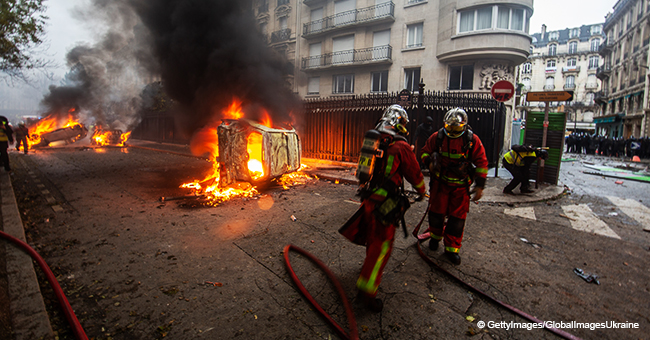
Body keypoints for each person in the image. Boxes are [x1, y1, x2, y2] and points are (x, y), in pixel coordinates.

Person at [339, 104, 426, 312]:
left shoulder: (374, 139)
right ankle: (367, 294)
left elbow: (363, 173)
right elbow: (414, 174)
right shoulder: (401, 146)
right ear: (400, 124)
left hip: (369, 200)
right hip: (386, 204)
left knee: (372, 238)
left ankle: (367, 274)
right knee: (382, 247)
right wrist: (422, 191)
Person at [420, 108, 488, 265]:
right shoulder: (437, 137)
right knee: (436, 215)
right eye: (449, 126)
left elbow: (482, 162)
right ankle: (435, 238)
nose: (451, 130)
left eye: (455, 127)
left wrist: (480, 185)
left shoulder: (472, 140)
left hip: (460, 187)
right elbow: (424, 152)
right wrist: (429, 162)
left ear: (463, 126)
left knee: (456, 221)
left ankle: (451, 249)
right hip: (440, 184)